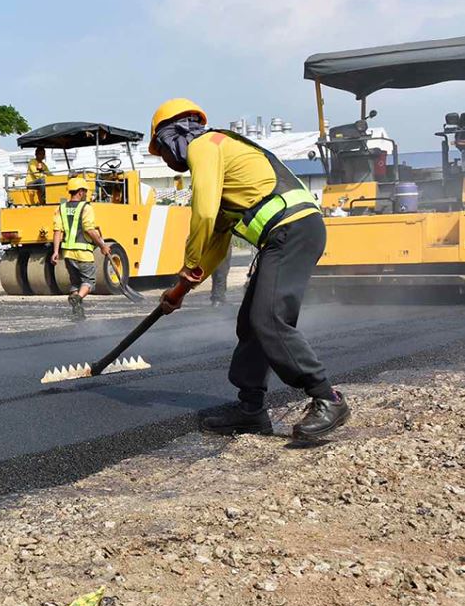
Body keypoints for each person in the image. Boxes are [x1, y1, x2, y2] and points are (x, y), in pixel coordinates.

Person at [149, 98, 349, 441]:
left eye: (162, 151)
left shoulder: (205, 147)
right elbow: (217, 242)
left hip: (293, 229)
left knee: (269, 318)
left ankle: (327, 397)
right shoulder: (226, 163)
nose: (167, 161)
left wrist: (186, 271)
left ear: (173, 137)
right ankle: (251, 411)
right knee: (251, 323)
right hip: (287, 234)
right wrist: (181, 290)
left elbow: (204, 213)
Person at [51, 176, 112, 320]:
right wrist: (102, 246)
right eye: (84, 191)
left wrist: (55, 252)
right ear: (80, 192)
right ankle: (78, 298)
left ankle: (78, 312)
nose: (85, 193)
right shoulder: (86, 207)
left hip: (68, 254)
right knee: (89, 282)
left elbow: (57, 231)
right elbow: (89, 229)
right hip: (84, 252)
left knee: (75, 283)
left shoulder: (61, 208)